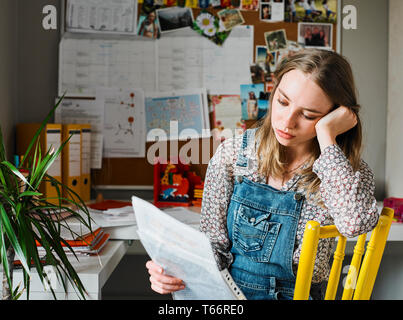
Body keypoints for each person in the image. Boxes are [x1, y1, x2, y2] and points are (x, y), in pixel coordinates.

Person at [146, 49, 379, 300]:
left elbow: (354, 224)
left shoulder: (344, 171)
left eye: (309, 115)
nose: (287, 122)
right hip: (230, 296)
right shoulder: (234, 154)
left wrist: (326, 136)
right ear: (274, 89)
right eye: (282, 102)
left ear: (336, 115)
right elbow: (213, 246)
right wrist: (176, 271)